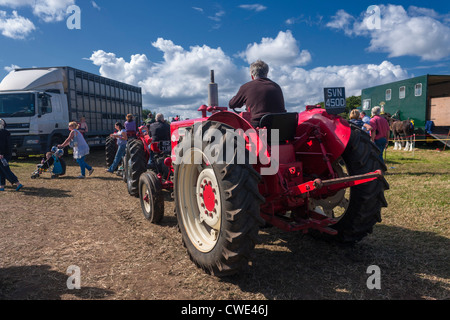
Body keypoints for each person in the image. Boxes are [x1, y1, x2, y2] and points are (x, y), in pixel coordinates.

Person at [229, 60, 286, 128]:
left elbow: (232, 104)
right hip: (277, 127)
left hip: (258, 127)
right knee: (274, 138)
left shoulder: (246, 87)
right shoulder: (276, 86)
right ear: (266, 74)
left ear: (252, 75)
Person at [0, 119, 23, 191]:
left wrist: (1, 153)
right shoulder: (6, 132)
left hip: (2, 154)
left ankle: (17, 183)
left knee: (5, 169)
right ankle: (2, 186)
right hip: (6, 153)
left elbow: (2, 144)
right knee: (1, 170)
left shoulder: (1, 132)